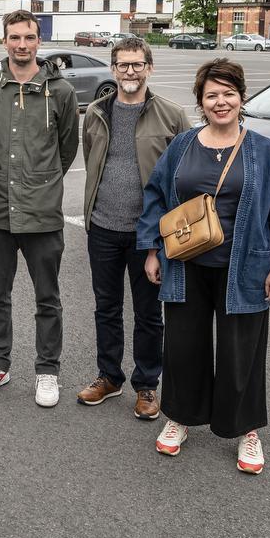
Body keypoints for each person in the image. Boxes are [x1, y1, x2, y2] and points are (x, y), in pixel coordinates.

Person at [137, 58, 270, 474]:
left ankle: (246, 430)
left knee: (242, 353)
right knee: (183, 347)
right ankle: (179, 418)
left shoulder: (263, 150)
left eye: (228, 93)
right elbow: (156, 197)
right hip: (186, 265)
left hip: (246, 267)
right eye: (212, 95)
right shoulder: (182, 146)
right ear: (200, 101)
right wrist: (151, 251)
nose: (221, 102)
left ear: (241, 97)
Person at [0, 10, 80, 407]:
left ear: (38, 41)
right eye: (14, 37)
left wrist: (42, 181)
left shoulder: (61, 91)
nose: (22, 44)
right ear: (4, 41)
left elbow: (67, 148)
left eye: (29, 37)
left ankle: (47, 370)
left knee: (46, 297)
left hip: (42, 212)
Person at [77, 37, 190, 418]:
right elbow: (89, 158)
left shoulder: (171, 115)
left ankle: (146, 386)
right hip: (103, 228)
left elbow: (188, 173)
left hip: (148, 236)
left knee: (148, 313)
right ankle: (108, 377)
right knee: (106, 308)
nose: (130, 71)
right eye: (123, 65)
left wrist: (165, 234)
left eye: (137, 65)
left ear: (149, 68)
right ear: (113, 69)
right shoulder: (95, 113)